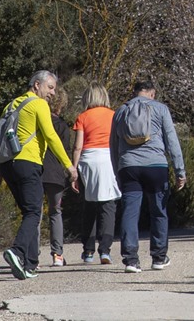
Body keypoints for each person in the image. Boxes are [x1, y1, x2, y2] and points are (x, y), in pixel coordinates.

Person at [0, 69, 74, 280]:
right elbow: (51, 136)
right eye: (50, 87)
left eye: (54, 89)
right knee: (34, 212)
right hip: (28, 162)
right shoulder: (39, 104)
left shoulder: (10, 105)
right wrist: (69, 166)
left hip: (7, 165)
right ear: (36, 85)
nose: (53, 93)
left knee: (28, 211)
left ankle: (29, 265)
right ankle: (18, 251)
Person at [113, 77, 185, 272]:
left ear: (135, 93)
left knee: (130, 212)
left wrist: (117, 172)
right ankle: (159, 258)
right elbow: (172, 141)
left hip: (129, 167)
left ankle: (131, 260)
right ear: (152, 93)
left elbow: (114, 146)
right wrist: (180, 170)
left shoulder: (120, 111)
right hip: (156, 166)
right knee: (159, 212)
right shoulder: (160, 109)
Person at [71, 82, 120, 265]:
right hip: (108, 158)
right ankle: (105, 250)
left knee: (89, 205)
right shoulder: (114, 115)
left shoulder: (82, 116)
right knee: (108, 205)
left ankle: (88, 250)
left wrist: (74, 169)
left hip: (88, 160)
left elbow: (78, 146)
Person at [40, 84, 79, 267]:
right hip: (55, 173)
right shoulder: (62, 126)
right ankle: (57, 254)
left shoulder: (37, 120)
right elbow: (67, 149)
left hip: (37, 171)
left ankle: (32, 254)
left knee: (35, 213)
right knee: (55, 212)